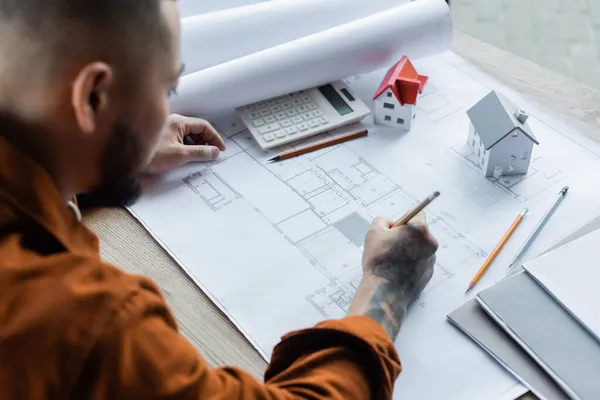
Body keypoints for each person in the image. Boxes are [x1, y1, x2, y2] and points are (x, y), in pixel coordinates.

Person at [0, 1, 438, 399]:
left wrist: (96, 148)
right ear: (92, 97)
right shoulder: (90, 322)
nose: (166, 109)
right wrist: (386, 285)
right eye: (166, 89)